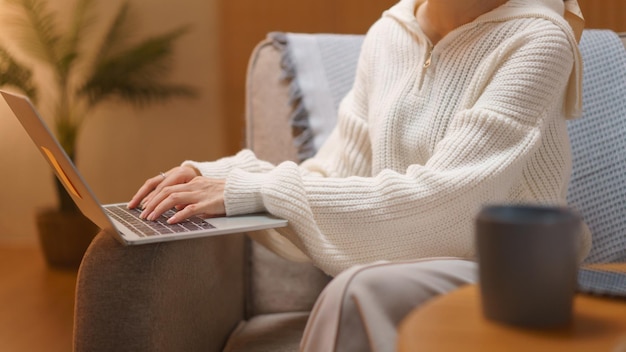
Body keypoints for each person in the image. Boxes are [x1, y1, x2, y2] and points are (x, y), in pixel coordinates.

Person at [129, 0, 591, 350]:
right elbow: (330, 173)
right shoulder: (389, 34)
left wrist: (251, 190)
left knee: (356, 289)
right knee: (362, 286)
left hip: (509, 276)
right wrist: (217, 175)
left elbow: (447, 206)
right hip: (403, 269)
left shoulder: (539, 40)